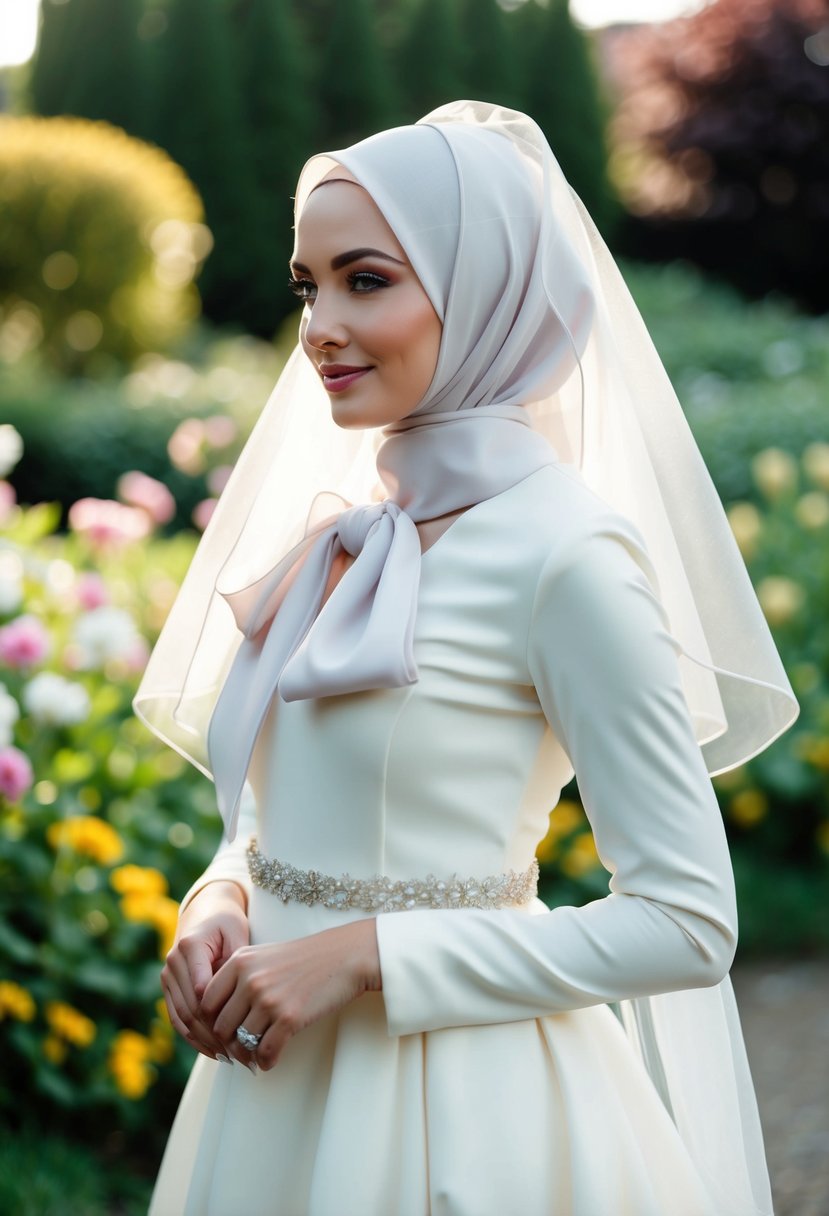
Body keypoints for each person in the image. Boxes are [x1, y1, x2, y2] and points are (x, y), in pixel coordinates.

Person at [134, 101, 797, 1216]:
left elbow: (686, 919)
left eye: (368, 279)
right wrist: (222, 898)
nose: (320, 327)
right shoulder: (344, 529)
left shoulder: (565, 555)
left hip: (465, 1117)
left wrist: (363, 954)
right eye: (309, 285)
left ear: (486, 289)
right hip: (269, 1100)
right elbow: (285, 813)